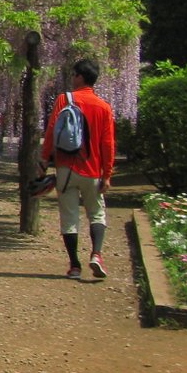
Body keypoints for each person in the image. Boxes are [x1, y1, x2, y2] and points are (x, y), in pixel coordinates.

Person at [42, 58, 116, 279]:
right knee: (96, 213)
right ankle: (96, 254)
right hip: (92, 170)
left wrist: (44, 160)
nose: (72, 78)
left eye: (74, 74)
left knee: (69, 217)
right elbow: (108, 144)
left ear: (80, 77)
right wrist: (107, 174)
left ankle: (74, 265)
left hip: (66, 168)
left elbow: (51, 132)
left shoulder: (64, 100)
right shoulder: (103, 107)